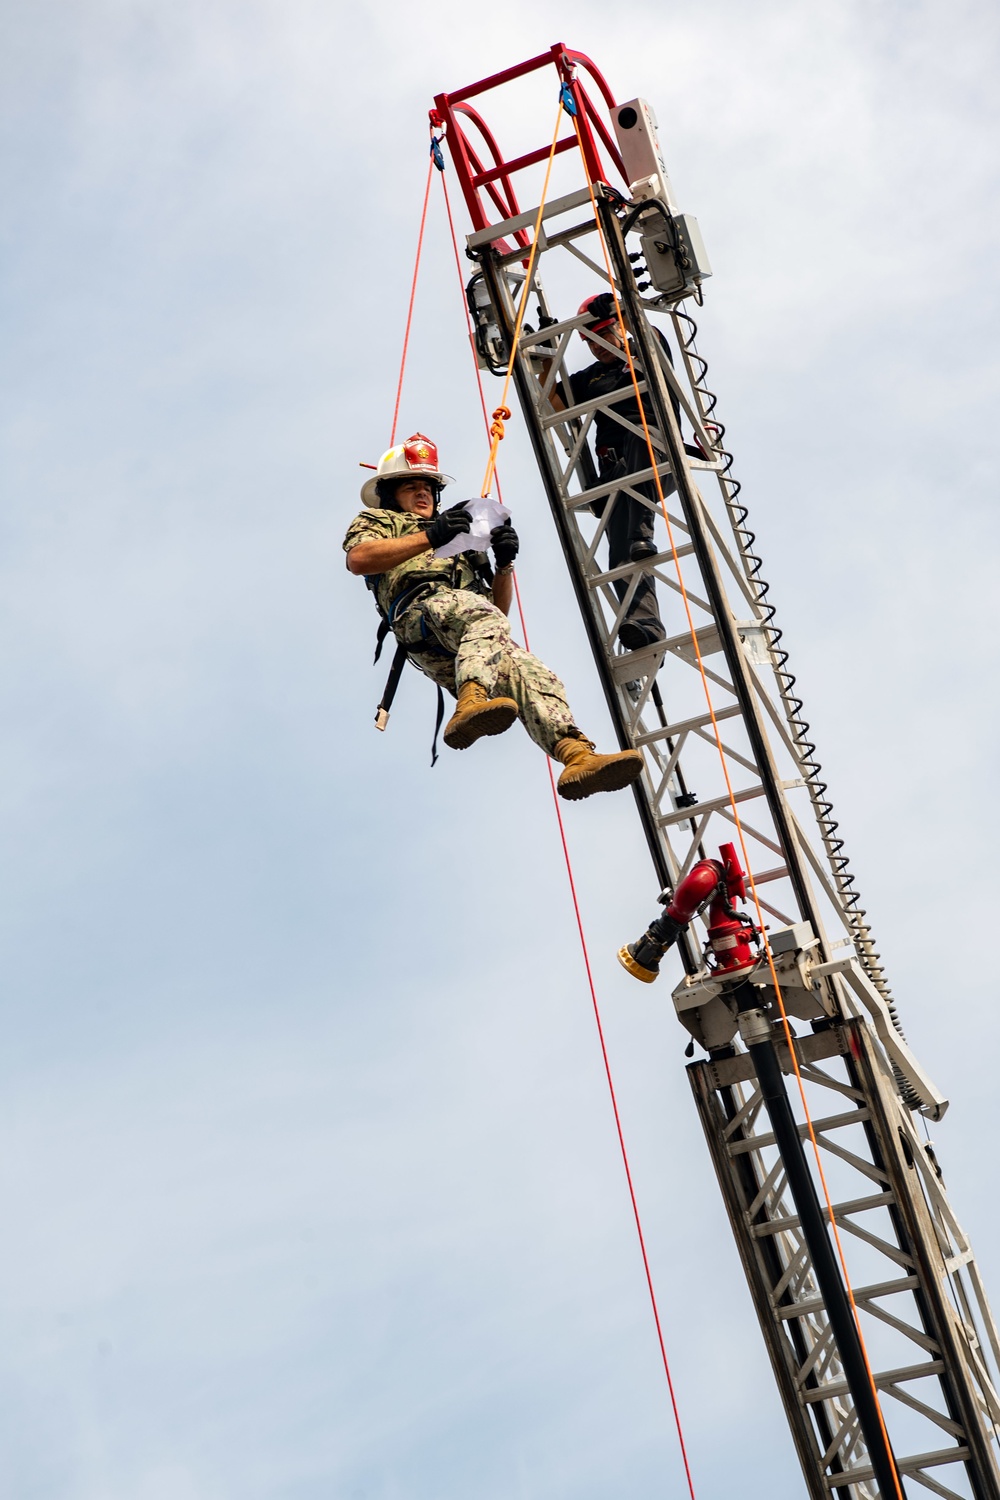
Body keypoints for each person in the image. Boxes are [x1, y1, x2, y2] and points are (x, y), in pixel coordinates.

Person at [344, 432, 644, 801]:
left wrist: (504, 564)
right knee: (477, 617)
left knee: (530, 673)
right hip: (419, 614)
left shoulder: (459, 541)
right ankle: (470, 703)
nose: (423, 493)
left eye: (428, 487)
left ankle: (576, 757)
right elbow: (359, 559)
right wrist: (431, 537)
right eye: (411, 486)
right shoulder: (383, 522)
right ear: (390, 493)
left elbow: (497, 614)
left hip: (465, 641)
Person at [547, 292, 685, 651]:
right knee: (621, 554)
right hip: (616, 473)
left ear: (621, 328)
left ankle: (643, 531)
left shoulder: (645, 349)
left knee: (640, 435)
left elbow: (648, 331)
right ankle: (645, 625)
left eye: (602, 335)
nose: (596, 347)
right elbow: (556, 401)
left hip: (655, 456)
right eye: (588, 343)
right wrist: (544, 358)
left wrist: (619, 307)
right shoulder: (591, 377)